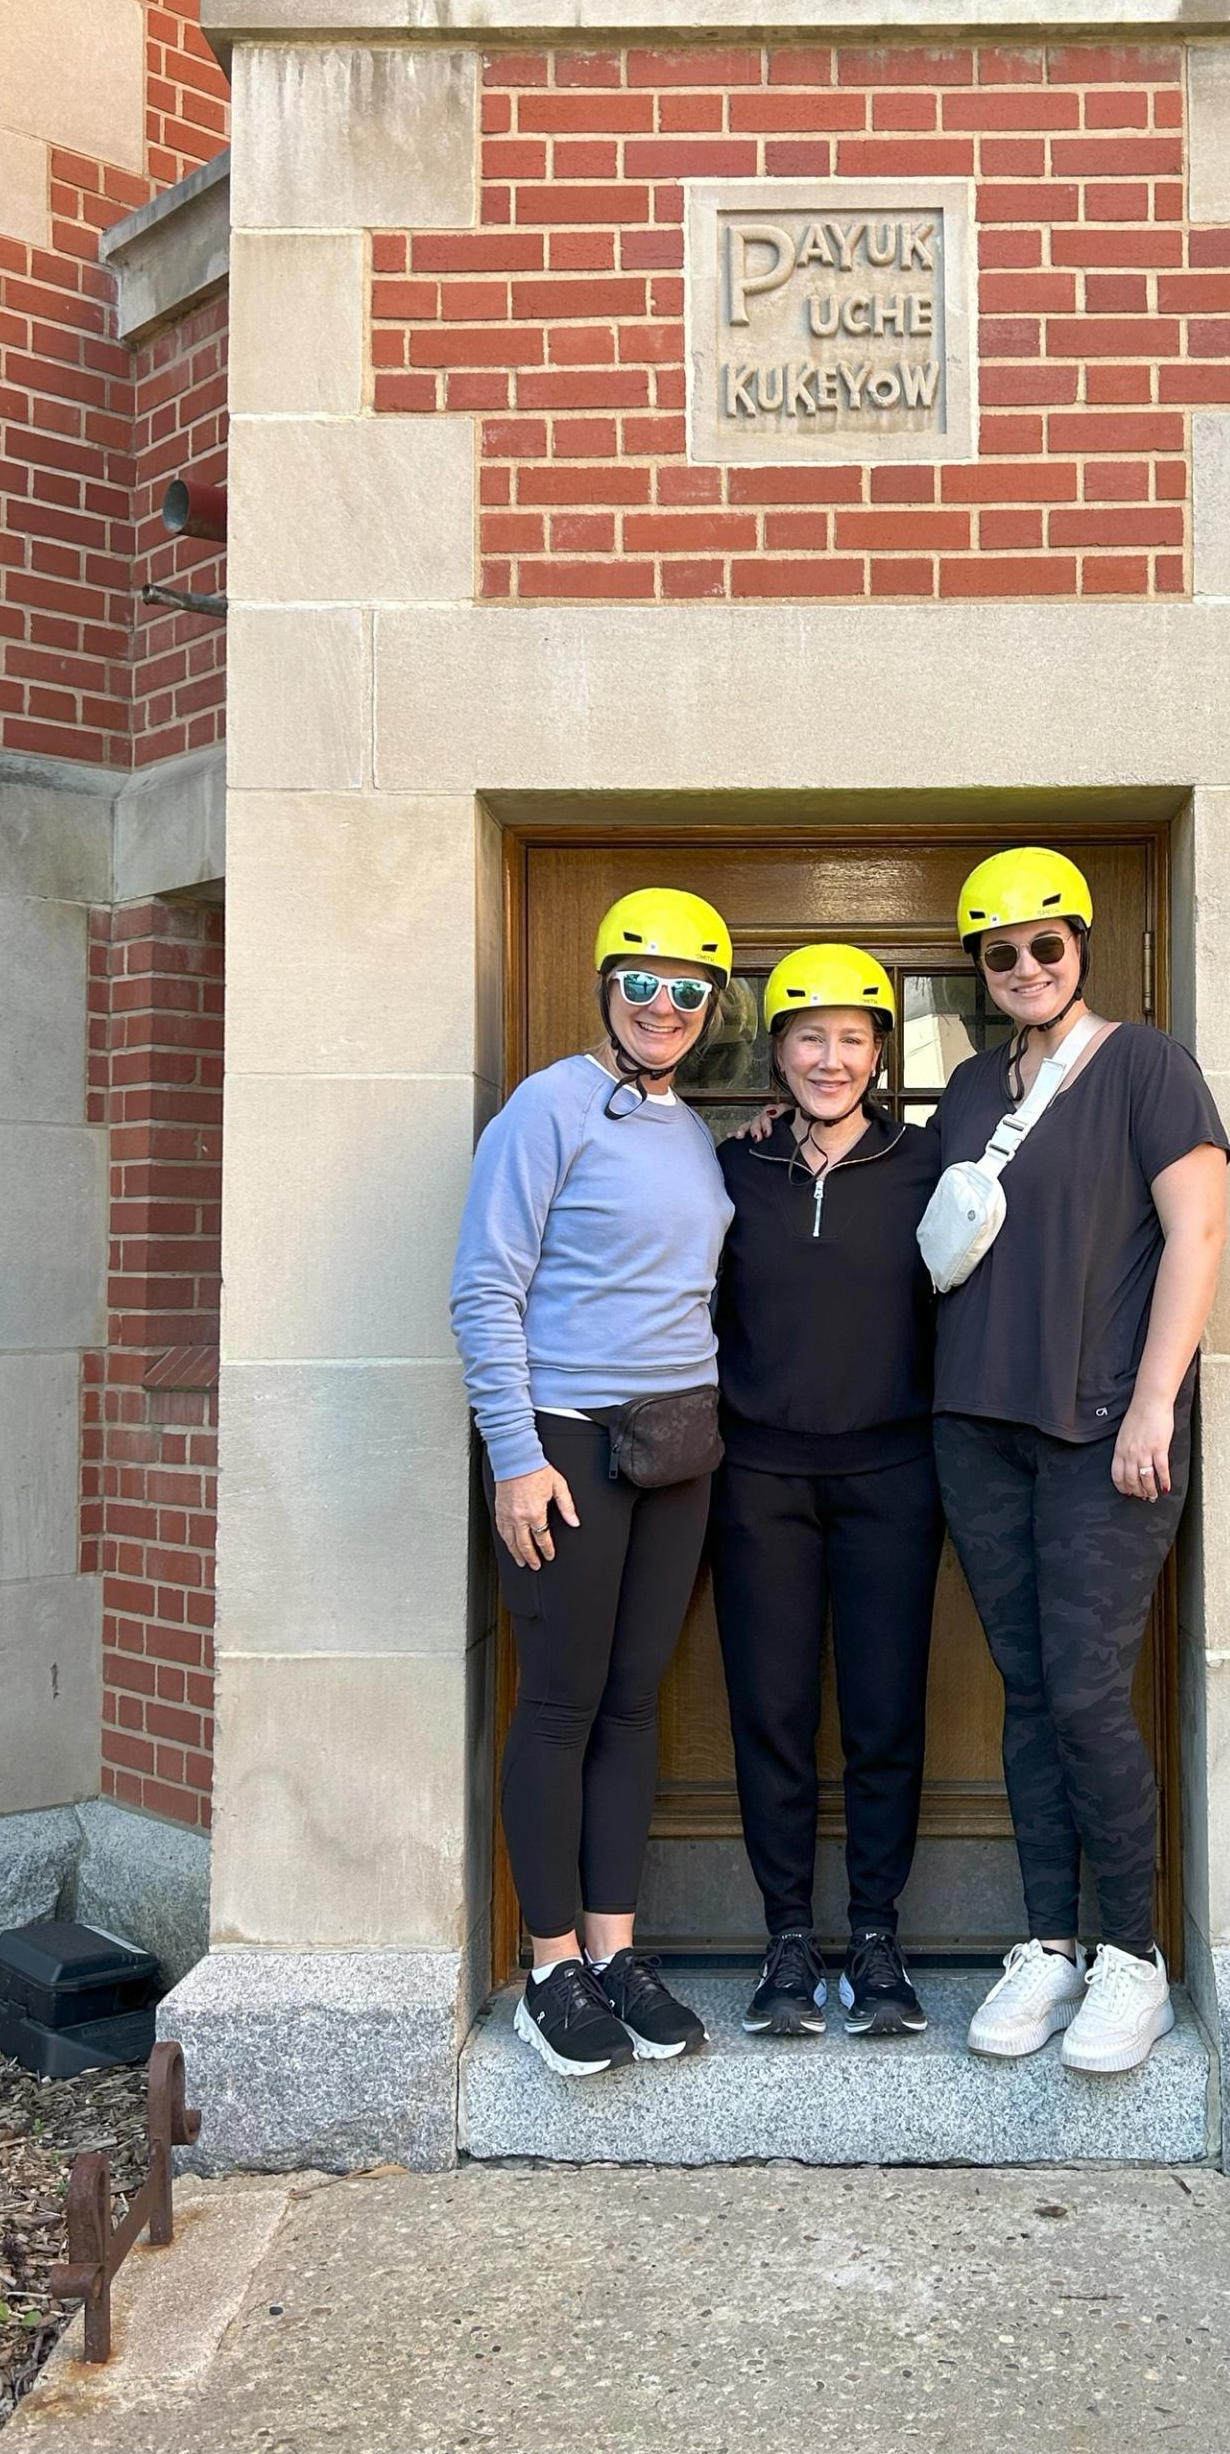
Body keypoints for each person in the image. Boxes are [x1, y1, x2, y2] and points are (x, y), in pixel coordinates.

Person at [929, 848, 1230, 2076]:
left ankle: (1135, 1960)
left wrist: (1157, 1398)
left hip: (1107, 1429)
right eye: (1000, 953)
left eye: (1046, 944)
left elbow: (1198, 1231)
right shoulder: (960, 1089)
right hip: (978, 1429)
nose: (1026, 967)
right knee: (1031, 1690)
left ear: (1082, 946)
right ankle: (1050, 1942)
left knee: (1093, 1695)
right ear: (981, 971)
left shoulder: (1148, 1067)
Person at [450, 887, 737, 2079]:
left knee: (631, 1704)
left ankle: (618, 1952)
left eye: (687, 988)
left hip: (680, 1444)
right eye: (643, 981)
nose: (662, 1004)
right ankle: (550, 1964)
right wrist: (515, 1455)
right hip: (567, 1441)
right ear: (605, 988)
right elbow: (485, 1287)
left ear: (711, 1008)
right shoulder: (548, 1106)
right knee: (562, 1704)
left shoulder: (693, 1131)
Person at [712, 946, 944, 2039]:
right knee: (771, 1713)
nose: (830, 1056)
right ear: (778, 1053)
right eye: (808, 1035)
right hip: (757, 1475)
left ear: (882, 1052)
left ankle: (879, 1937)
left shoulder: (930, 1166)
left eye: (854, 1036)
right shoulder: (732, 1167)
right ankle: (788, 1941)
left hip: (893, 1474)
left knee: (886, 1715)